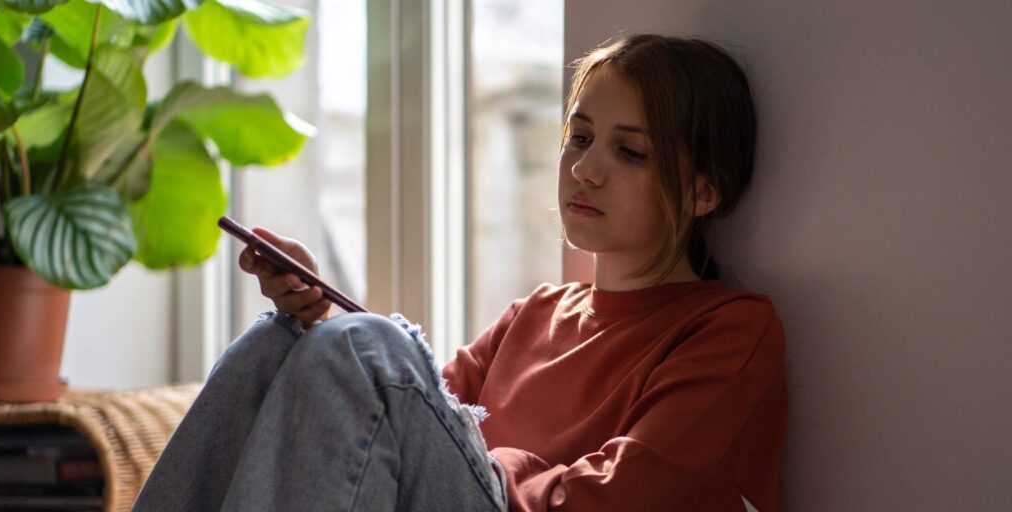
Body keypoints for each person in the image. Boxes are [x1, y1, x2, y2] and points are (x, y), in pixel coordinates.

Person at [133, 33, 786, 512]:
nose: (585, 169)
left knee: (367, 348)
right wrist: (316, 316)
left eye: (630, 152)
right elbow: (406, 420)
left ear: (704, 193)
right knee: (274, 344)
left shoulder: (730, 328)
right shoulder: (533, 314)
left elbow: (632, 494)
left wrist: (493, 466)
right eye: (580, 138)